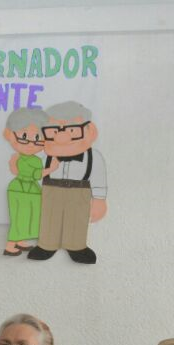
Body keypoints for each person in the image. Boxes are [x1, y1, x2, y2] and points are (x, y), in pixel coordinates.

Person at [26, 100, 107, 264]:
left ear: (88, 129)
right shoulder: (45, 156)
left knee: (77, 219)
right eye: (54, 131)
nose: (62, 137)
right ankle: (47, 245)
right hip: (51, 191)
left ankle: (77, 246)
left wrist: (99, 200)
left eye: (72, 130)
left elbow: (98, 178)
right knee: (49, 218)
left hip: (80, 193)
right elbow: (34, 173)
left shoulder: (94, 157)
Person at [1, 107, 53, 256]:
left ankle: (20, 240)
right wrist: (51, 168)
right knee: (19, 217)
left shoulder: (29, 158)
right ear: (9, 134)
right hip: (22, 189)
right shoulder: (26, 159)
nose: (31, 143)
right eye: (23, 137)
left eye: (38, 139)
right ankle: (11, 245)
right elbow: (36, 174)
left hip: (30, 190)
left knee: (29, 216)